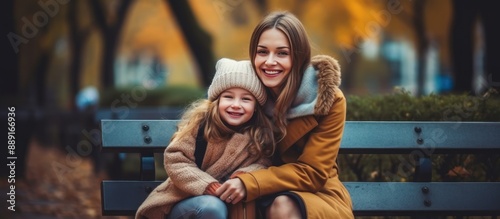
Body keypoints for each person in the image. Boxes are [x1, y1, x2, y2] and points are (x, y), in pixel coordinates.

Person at [216, 11, 354, 219]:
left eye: (282, 53)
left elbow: (313, 173)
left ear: (298, 57)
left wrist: (251, 182)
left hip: (316, 195)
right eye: (262, 52)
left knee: (283, 206)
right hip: (251, 192)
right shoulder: (245, 94)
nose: (270, 62)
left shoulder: (328, 100)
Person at [135, 58, 276, 219]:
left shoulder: (260, 135)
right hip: (184, 202)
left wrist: (243, 178)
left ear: (256, 106)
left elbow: (264, 164)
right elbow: (176, 159)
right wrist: (208, 185)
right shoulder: (201, 124)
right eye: (228, 97)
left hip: (232, 205)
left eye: (246, 99)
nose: (236, 104)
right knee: (212, 208)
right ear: (217, 100)